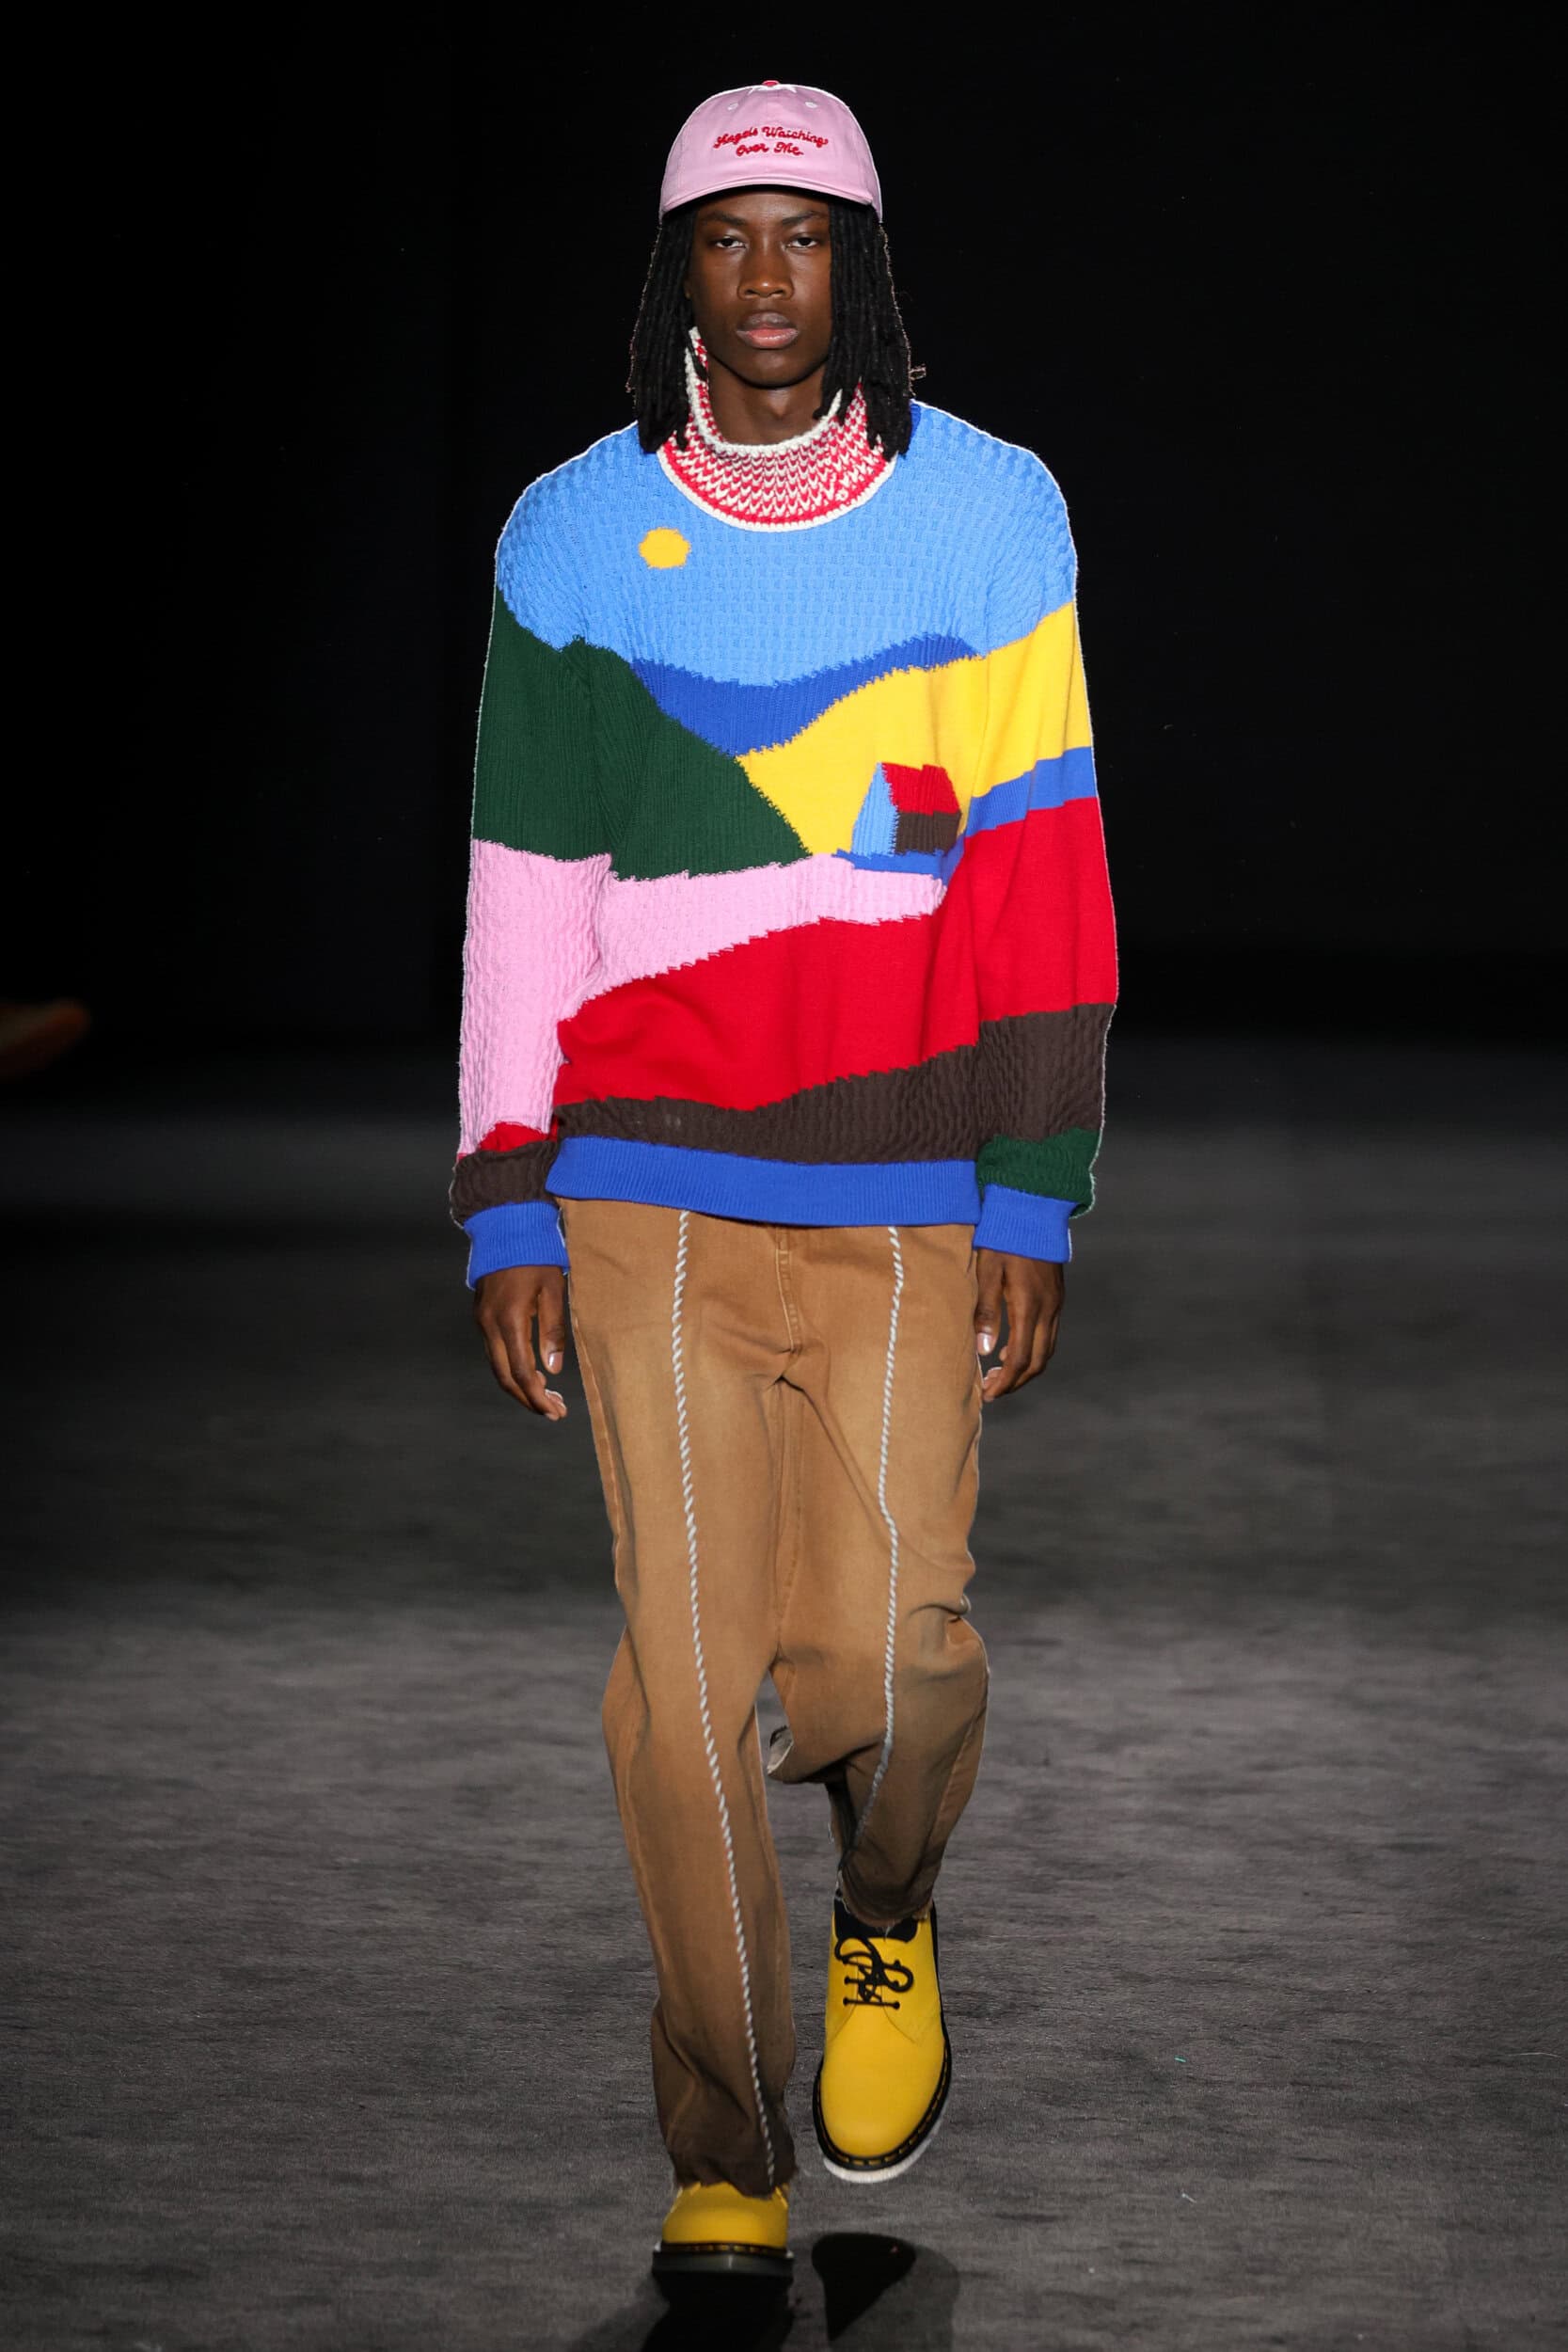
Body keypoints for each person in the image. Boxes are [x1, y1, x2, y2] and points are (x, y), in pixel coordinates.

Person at [451, 80, 1116, 2283]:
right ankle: (726, 2132)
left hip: (906, 1180)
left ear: (861, 265)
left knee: (894, 1664)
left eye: (804, 235)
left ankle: (888, 1906)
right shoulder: (570, 532)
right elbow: (528, 884)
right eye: (726, 235)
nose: (765, 275)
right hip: (646, 1180)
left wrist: (1035, 1182)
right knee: (683, 1683)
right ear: (677, 267)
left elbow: (1038, 861)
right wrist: (506, 1188)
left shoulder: (991, 513)